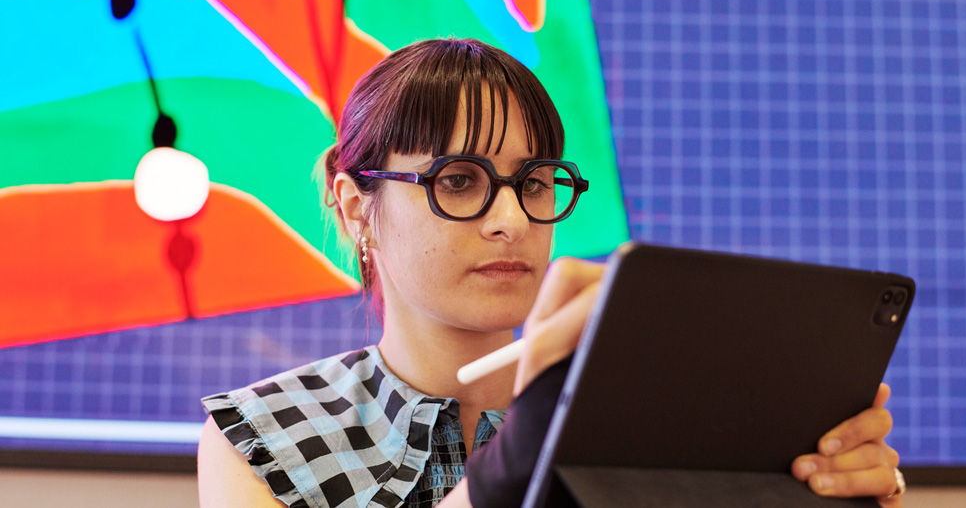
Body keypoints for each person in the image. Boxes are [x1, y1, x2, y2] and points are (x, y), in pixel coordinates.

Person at [197, 38, 905, 507]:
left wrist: (821, 489)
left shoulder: (650, 417)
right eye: (459, 180)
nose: (511, 218)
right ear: (359, 208)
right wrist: (508, 470)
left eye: (533, 182)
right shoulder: (263, 436)